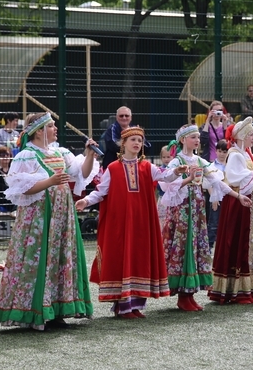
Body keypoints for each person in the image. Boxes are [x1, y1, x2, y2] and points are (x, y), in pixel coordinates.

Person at [0, 112, 99, 330]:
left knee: (59, 257)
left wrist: (89, 155)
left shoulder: (60, 152)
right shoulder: (27, 156)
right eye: (51, 126)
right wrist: (50, 181)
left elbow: (82, 174)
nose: (56, 129)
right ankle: (36, 312)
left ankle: (58, 310)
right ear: (39, 131)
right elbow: (20, 189)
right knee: (38, 259)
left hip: (61, 216)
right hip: (37, 218)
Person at [76, 126, 188, 319]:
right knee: (121, 258)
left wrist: (176, 171)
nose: (137, 143)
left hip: (142, 223)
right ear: (123, 144)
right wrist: (86, 200)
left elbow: (165, 176)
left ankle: (136, 305)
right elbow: (101, 191)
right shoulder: (112, 168)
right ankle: (122, 306)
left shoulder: (147, 167)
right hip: (120, 223)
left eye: (139, 140)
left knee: (139, 259)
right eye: (133, 140)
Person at [159, 125, 249, 311]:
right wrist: (184, 176)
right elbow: (166, 180)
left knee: (196, 246)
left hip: (197, 211)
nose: (197, 140)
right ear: (183, 140)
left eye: (198, 137)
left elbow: (218, 182)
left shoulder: (200, 161)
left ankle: (189, 294)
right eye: (193, 137)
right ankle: (183, 296)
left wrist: (238, 196)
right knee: (184, 247)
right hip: (182, 211)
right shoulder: (177, 161)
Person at [209, 117, 253, 304]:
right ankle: (239, 291)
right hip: (239, 204)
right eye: (251, 135)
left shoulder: (249, 155)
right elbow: (237, 178)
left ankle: (250, 289)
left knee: (251, 242)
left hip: (252, 203)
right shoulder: (235, 155)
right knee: (240, 241)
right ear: (243, 136)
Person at [207, 139, 229, 247]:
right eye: (220, 151)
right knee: (213, 224)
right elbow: (208, 184)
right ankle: (209, 246)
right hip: (216, 198)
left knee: (228, 224)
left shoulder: (230, 166)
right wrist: (214, 197)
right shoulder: (211, 166)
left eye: (224, 152)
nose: (222, 154)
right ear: (216, 151)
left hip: (229, 198)